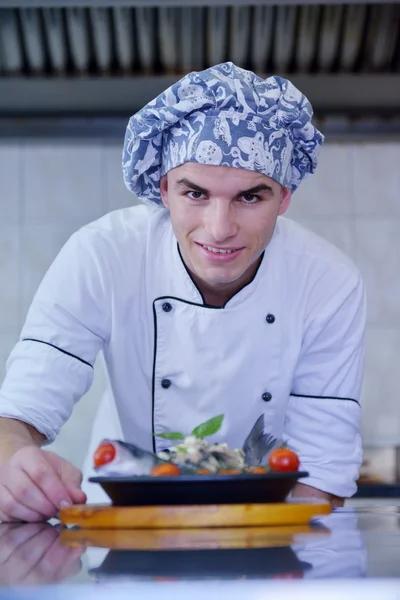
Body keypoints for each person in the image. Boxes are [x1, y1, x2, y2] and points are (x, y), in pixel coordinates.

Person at [0, 62, 366, 522]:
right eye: (195, 194)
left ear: (285, 196)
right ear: (164, 189)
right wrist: (12, 463)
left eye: (250, 197)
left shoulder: (327, 282)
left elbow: (322, 474)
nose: (220, 229)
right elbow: (20, 412)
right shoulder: (103, 254)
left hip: (263, 529)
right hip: (123, 521)